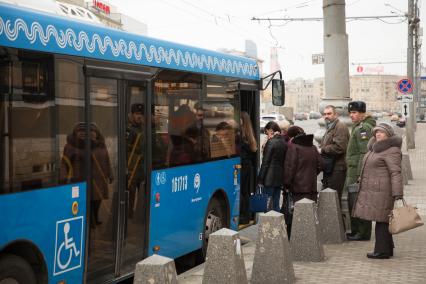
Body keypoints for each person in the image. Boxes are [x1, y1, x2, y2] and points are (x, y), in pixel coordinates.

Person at [352, 122, 403, 259]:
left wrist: (398, 193)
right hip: (375, 189)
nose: (378, 134)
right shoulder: (374, 148)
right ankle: (387, 249)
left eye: (382, 132)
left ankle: (381, 251)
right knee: (383, 220)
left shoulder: (392, 150)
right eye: (376, 132)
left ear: (388, 134)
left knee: (381, 220)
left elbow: (396, 172)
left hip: (384, 190)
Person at [60, 122, 113, 227]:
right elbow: (64, 163)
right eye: (81, 131)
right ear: (76, 132)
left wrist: (110, 174)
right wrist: (63, 177)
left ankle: (95, 218)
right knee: (86, 201)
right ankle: (90, 221)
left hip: (99, 179)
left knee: (97, 200)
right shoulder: (71, 146)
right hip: (82, 180)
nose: (85, 133)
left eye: (90, 131)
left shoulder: (101, 145)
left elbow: (107, 160)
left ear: (96, 133)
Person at [345, 101, 376, 241]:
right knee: (354, 201)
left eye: (354, 113)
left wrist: (359, 175)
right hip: (353, 170)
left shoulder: (363, 128)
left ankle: (362, 233)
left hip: (357, 172)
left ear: (362, 113)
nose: (351, 115)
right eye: (350, 113)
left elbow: (365, 153)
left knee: (360, 202)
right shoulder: (358, 127)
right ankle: (357, 230)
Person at [283, 128, 322, 238]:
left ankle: (297, 242)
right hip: (311, 188)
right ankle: (310, 241)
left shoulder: (293, 147)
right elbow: (321, 165)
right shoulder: (313, 147)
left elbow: (289, 168)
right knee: (309, 217)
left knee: (297, 218)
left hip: (297, 189)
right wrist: (311, 175)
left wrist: (286, 184)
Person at [319, 105, 350, 201]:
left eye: (329, 113)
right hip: (330, 167)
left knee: (333, 199)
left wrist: (322, 150)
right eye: (324, 114)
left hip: (337, 169)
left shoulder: (340, 127)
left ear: (336, 114)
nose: (326, 116)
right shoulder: (330, 126)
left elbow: (340, 147)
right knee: (328, 198)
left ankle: (335, 216)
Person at [257, 121, 287, 212]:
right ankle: (278, 224)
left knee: (268, 205)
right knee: (276, 203)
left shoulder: (271, 142)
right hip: (279, 178)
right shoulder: (282, 142)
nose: (266, 134)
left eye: (267, 132)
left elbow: (265, 162)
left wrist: (260, 179)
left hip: (269, 179)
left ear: (271, 131)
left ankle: (269, 225)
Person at [127, 103, 145, 218]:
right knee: (131, 191)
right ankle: (129, 213)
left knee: (142, 191)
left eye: (141, 114)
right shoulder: (129, 129)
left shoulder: (143, 128)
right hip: (132, 167)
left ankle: (139, 213)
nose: (139, 116)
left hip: (142, 166)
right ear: (132, 115)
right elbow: (126, 150)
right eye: (137, 114)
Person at [239, 112, 257, 225]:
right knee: (245, 192)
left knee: (241, 191)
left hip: (242, 165)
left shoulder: (241, 134)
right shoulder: (249, 134)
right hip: (247, 166)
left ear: (242, 120)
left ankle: (242, 215)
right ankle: (246, 216)